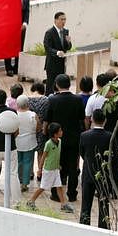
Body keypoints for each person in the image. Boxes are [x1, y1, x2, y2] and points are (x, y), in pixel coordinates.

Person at [44, 74, 85, 202]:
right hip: (74, 138)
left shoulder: (52, 100)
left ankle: (56, 194)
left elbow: (47, 120)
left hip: (57, 139)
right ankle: (72, 194)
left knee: (57, 166)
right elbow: (82, 119)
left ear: (56, 85)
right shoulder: (77, 99)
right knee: (73, 167)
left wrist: (46, 133)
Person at [27, 123, 74, 213]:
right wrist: (40, 169)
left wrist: (58, 165)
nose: (62, 132)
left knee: (59, 186)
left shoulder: (59, 141)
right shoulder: (48, 144)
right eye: (60, 131)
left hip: (56, 169)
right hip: (48, 170)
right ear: (55, 134)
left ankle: (63, 204)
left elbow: (56, 155)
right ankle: (31, 201)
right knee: (43, 187)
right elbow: (43, 157)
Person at [79, 109, 111, 229]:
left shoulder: (84, 135)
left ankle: (84, 227)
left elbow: (82, 153)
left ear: (91, 119)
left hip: (88, 172)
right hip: (104, 174)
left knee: (86, 204)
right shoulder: (109, 136)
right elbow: (112, 157)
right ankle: (103, 228)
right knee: (103, 204)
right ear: (105, 120)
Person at [4, 0, 30, 77]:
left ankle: (16, 67)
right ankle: (8, 68)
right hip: (10, 26)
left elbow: (27, 11)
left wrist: (25, 23)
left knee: (20, 47)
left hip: (21, 27)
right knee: (8, 47)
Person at [43, 12, 72, 96]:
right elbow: (47, 48)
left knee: (61, 86)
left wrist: (68, 42)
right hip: (52, 64)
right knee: (50, 86)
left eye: (65, 19)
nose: (64, 21)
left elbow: (67, 47)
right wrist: (57, 52)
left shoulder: (65, 31)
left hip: (62, 64)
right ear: (55, 20)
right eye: (61, 19)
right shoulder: (49, 32)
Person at [16, 95, 37, 192]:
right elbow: (38, 127)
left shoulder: (15, 115)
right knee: (28, 162)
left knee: (18, 162)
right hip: (29, 141)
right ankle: (25, 183)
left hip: (17, 141)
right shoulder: (32, 115)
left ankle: (18, 180)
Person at [28, 82, 48, 181]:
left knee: (30, 152)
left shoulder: (28, 100)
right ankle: (40, 173)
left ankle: (30, 173)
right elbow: (46, 117)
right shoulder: (45, 100)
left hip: (30, 129)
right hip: (42, 129)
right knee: (40, 152)